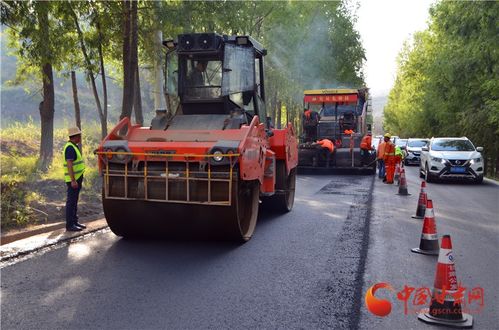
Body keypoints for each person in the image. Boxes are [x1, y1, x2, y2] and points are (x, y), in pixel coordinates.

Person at [63, 127, 86, 231]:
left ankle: (75, 221)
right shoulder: (70, 148)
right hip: (73, 180)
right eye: (79, 136)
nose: (80, 137)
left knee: (74, 201)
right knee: (71, 202)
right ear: (75, 136)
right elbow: (69, 165)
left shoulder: (73, 146)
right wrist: (73, 180)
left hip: (76, 178)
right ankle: (70, 225)